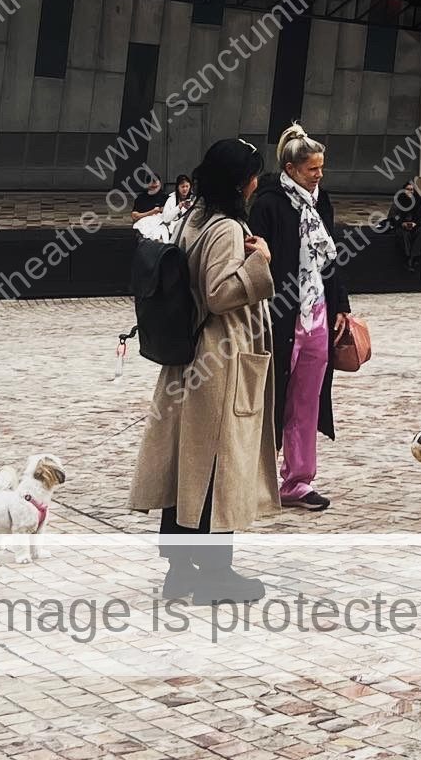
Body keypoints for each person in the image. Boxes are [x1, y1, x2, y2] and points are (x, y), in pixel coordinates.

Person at [129, 138, 279, 604]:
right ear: (242, 181)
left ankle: (180, 571)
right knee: (217, 463)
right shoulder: (229, 228)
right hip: (219, 359)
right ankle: (216, 575)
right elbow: (218, 294)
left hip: (187, 354)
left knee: (186, 465)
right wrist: (261, 262)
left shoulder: (193, 216)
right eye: (254, 173)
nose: (258, 181)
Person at [249, 123, 350, 513]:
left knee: (308, 399)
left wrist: (341, 304)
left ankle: (298, 480)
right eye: (312, 169)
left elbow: (331, 257)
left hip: (317, 314)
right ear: (291, 169)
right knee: (270, 399)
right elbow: (257, 262)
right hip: (280, 317)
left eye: (321, 167)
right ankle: (255, 478)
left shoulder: (320, 202)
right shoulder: (268, 204)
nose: (319, 174)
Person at [388, 179, 421, 272]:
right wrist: (402, 223)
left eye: (412, 190)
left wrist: (415, 223)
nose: (410, 191)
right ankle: (407, 258)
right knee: (403, 234)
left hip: (415, 225)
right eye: (407, 189)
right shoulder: (398, 201)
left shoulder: (419, 201)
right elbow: (393, 217)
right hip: (402, 225)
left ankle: (414, 257)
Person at [131, 173, 169, 240]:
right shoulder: (141, 198)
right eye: (153, 187)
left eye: (157, 187)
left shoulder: (165, 197)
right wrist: (152, 212)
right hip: (145, 223)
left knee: (162, 230)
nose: (156, 189)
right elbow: (134, 216)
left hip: (160, 223)